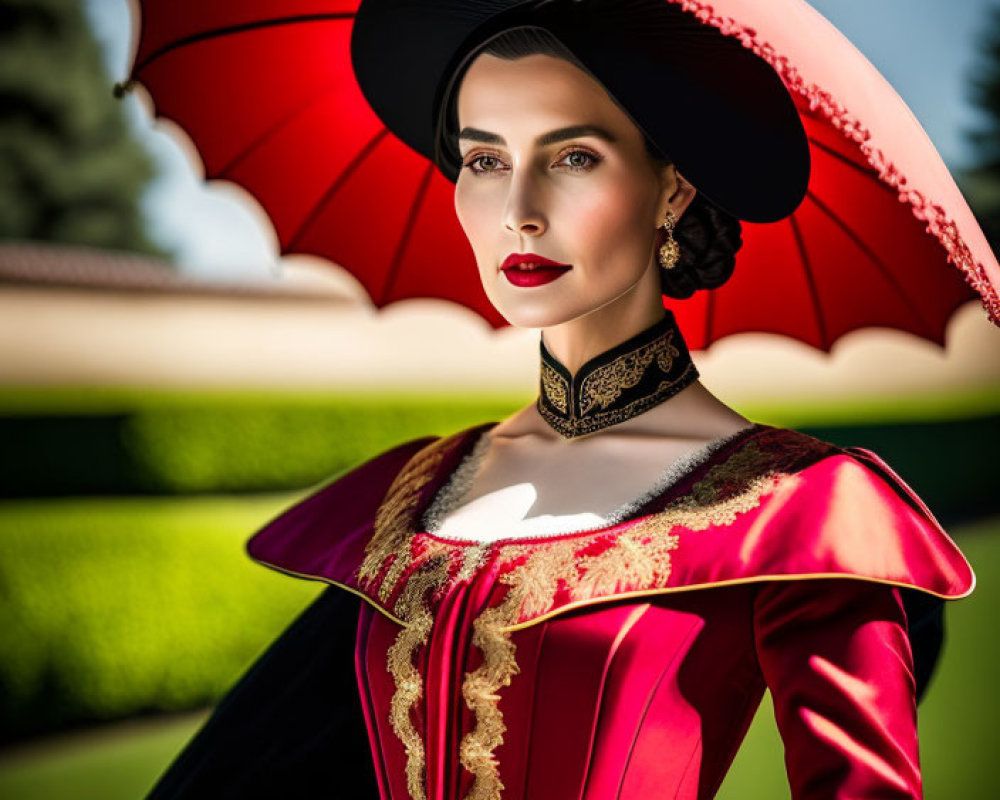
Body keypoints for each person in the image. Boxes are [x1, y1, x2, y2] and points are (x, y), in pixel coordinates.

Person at [145, 2, 976, 799]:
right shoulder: (414, 490)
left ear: (675, 191)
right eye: (484, 160)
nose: (518, 213)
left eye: (573, 157)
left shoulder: (792, 506)